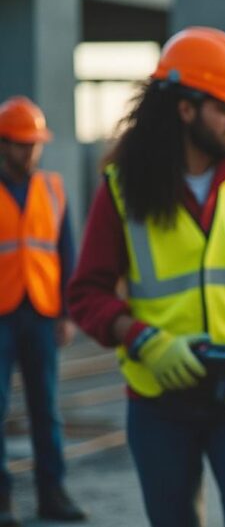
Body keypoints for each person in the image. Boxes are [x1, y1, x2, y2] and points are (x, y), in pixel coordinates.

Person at [68, 27, 225, 527]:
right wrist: (143, 340)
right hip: (160, 401)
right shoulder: (122, 189)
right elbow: (86, 294)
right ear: (185, 109)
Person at [0, 96, 86, 525]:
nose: (29, 151)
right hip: (1, 316)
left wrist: (67, 313)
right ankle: (3, 501)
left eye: (34, 144)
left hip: (41, 313)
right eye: (20, 144)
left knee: (46, 408)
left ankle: (52, 493)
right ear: (3, 144)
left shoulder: (52, 189)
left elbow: (66, 254)